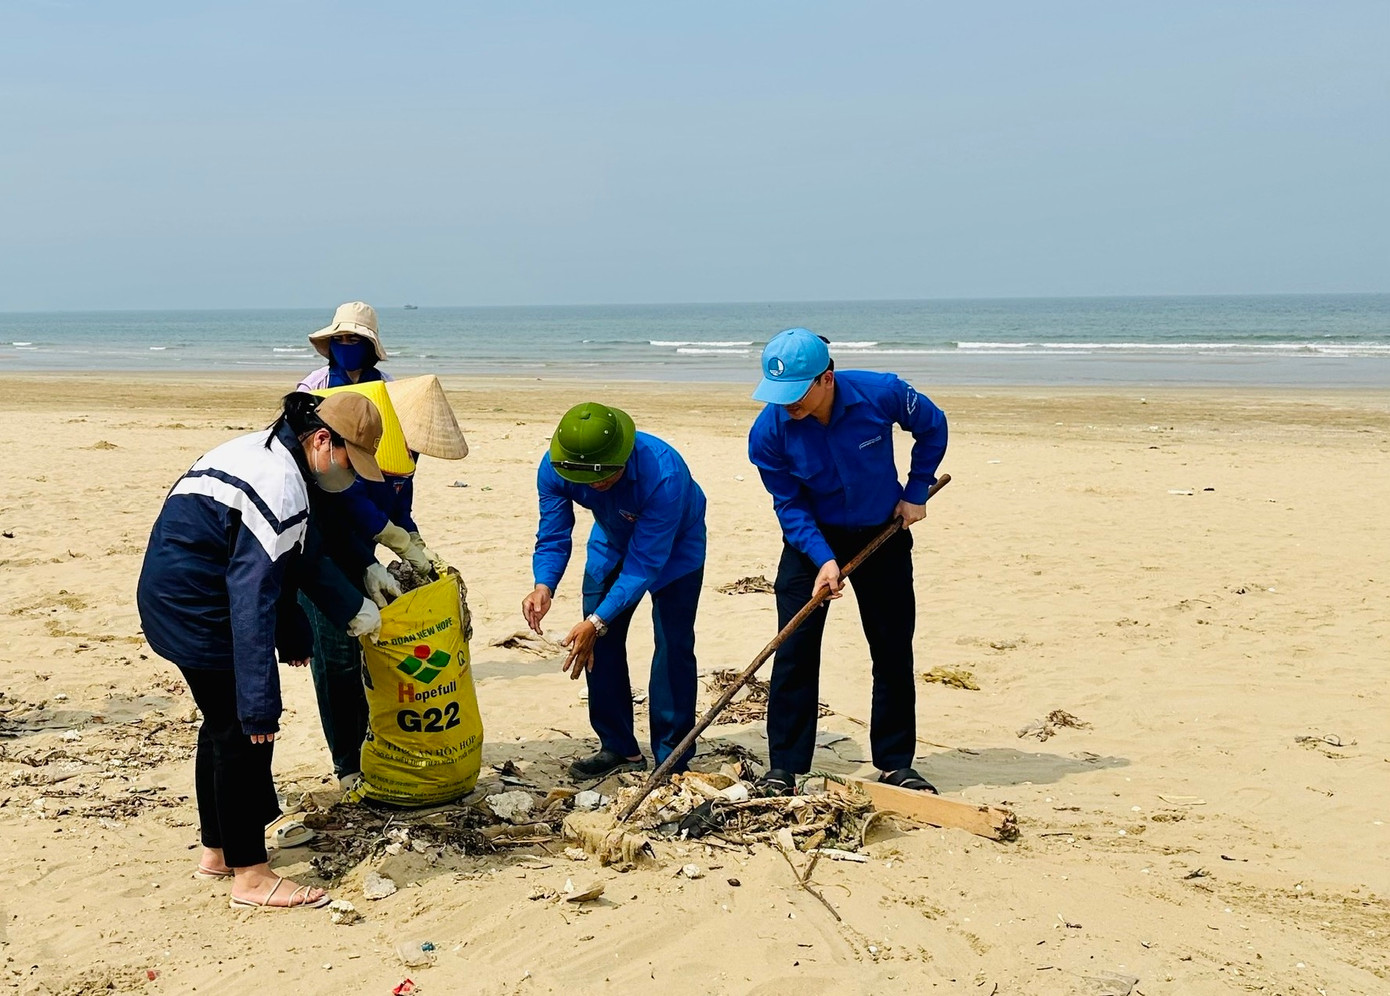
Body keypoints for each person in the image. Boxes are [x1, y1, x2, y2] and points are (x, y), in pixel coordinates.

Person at [137, 391, 385, 909]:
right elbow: (253, 599)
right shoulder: (279, 485)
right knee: (244, 734)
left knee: (221, 725)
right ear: (322, 440)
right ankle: (250, 876)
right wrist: (260, 706)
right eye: (350, 459)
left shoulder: (264, 451)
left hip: (171, 594)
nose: (351, 474)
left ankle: (219, 851)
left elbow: (290, 560)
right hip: (202, 608)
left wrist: (296, 635)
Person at [747, 328, 948, 796]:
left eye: (796, 393)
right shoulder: (768, 432)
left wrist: (916, 490)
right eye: (778, 394)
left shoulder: (884, 392)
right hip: (810, 540)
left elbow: (934, 426)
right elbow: (788, 504)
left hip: (883, 531)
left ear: (827, 378)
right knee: (794, 651)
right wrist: (822, 558)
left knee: (892, 648)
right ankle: (785, 768)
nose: (787, 403)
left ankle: (896, 763)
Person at [522, 402, 707, 781]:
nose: (596, 486)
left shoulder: (664, 473)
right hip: (611, 540)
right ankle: (618, 746)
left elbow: (645, 563)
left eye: (605, 477)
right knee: (596, 645)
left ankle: (673, 756)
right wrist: (544, 584)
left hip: (676, 551)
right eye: (588, 481)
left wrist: (597, 619)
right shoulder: (556, 467)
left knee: (672, 647)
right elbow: (554, 533)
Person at [297, 300, 392, 390]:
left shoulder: (386, 383)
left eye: (353, 340)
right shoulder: (314, 385)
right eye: (338, 339)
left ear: (368, 345)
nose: (345, 345)